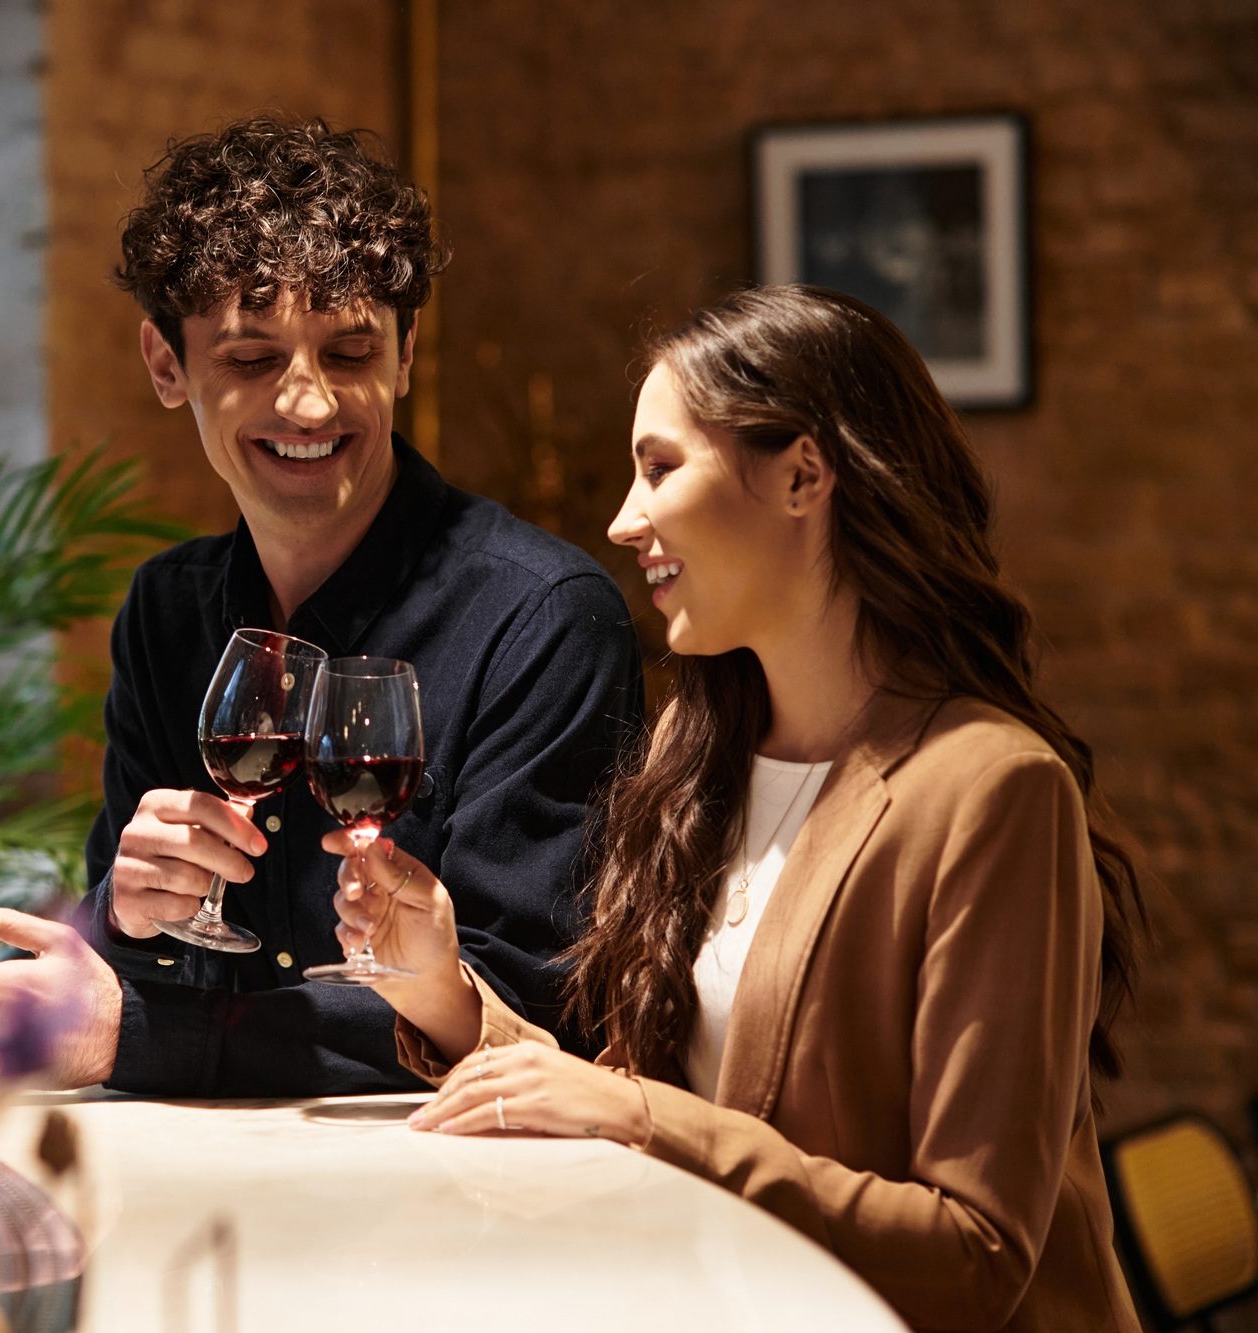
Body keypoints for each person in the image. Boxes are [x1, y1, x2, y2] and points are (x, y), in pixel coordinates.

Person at [333, 285, 1145, 1330]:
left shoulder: (990, 789)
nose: (623, 519)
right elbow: (628, 1106)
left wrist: (637, 1117)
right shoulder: (697, 755)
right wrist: (441, 991)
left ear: (802, 475)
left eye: (660, 467)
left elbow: (972, 1256)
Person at [0, 116, 643, 1097]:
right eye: (250, 361)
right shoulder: (167, 611)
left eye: (348, 353)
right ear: (166, 366)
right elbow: (131, 979)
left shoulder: (541, 618)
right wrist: (127, 911)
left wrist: (146, 1034)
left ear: (406, 355)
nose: (308, 405)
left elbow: (533, 1009)